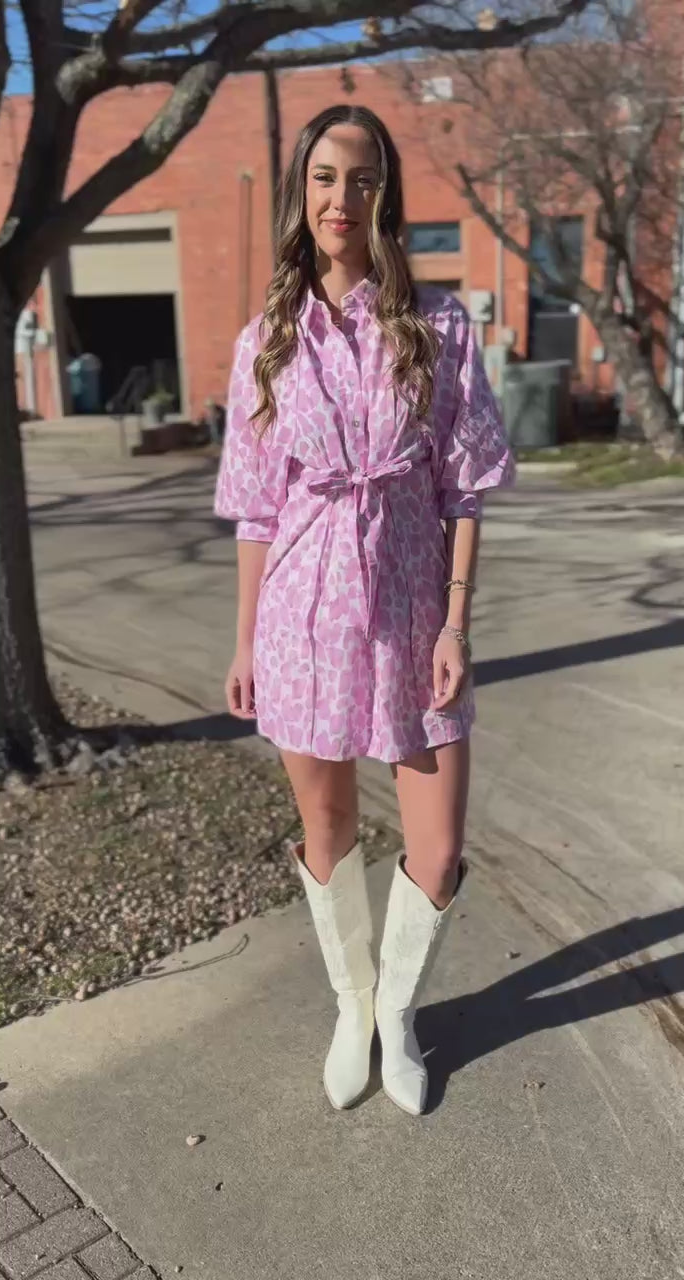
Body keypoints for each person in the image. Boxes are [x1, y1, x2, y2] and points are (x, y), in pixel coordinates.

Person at [215, 104, 514, 1116]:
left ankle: (401, 1014)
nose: (345, 198)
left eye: (365, 178)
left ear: (388, 194)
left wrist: (456, 619)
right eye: (326, 178)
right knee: (329, 825)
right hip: (302, 617)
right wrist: (246, 636)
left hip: (414, 614)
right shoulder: (267, 340)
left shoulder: (439, 328)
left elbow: (463, 489)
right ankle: (355, 1005)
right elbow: (257, 511)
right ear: (304, 193)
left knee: (433, 849)